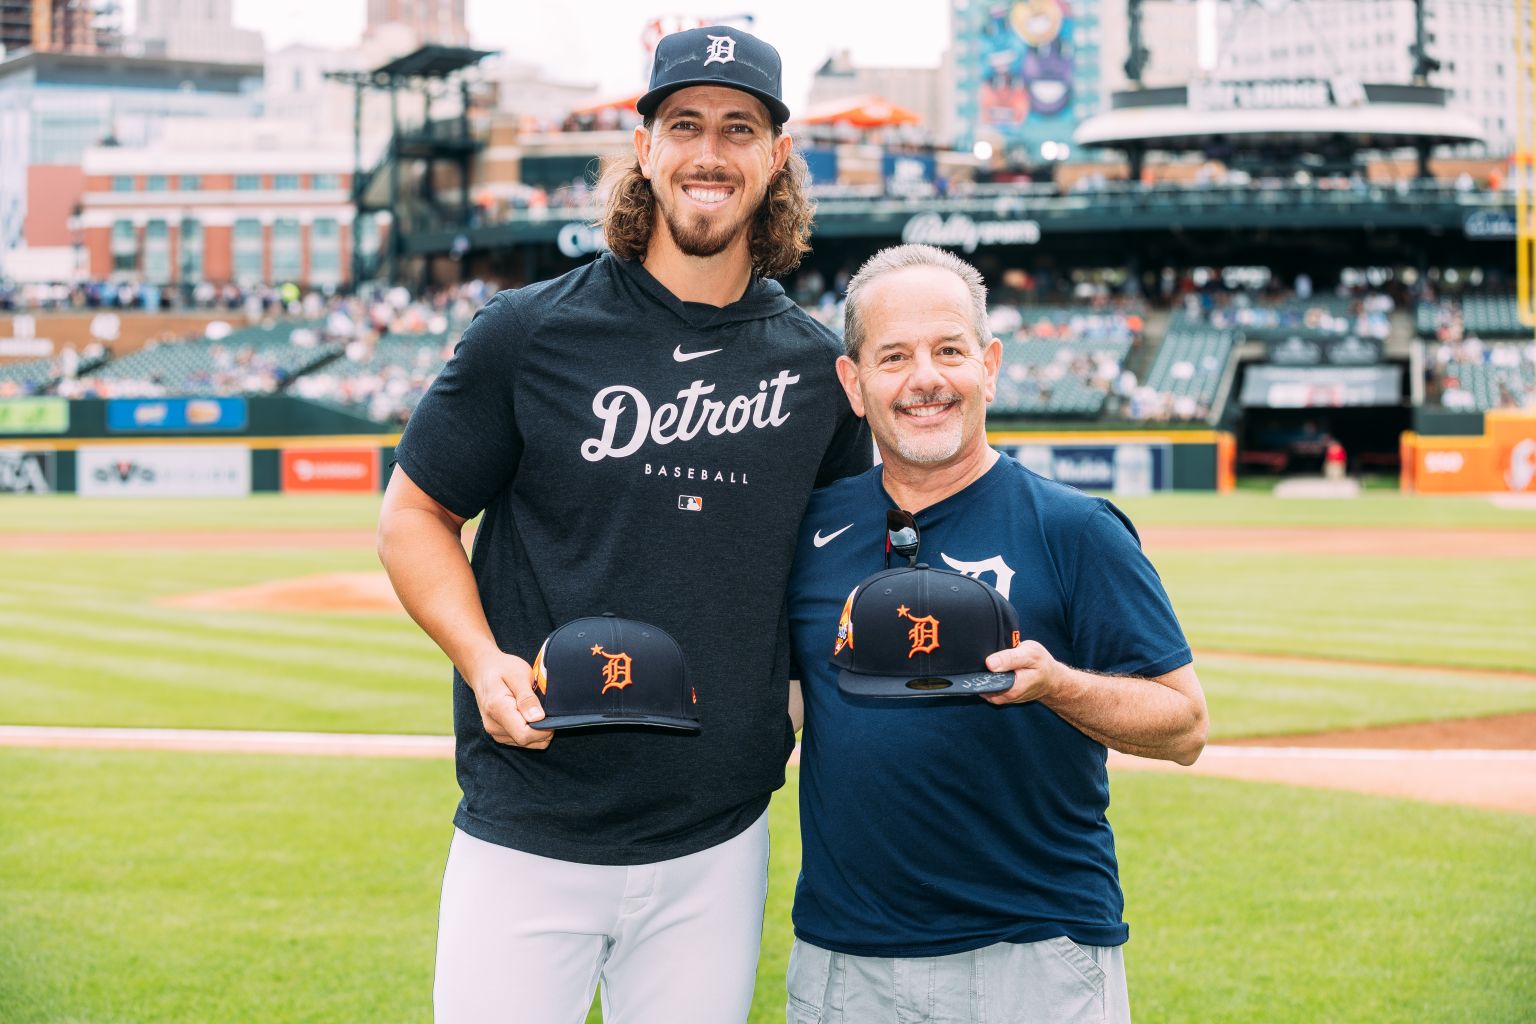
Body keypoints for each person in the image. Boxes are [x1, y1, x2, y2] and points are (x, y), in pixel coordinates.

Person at [376, 25, 870, 1024]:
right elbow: (415, 515)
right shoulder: (529, 333)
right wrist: (480, 660)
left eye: (740, 128)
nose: (709, 151)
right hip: (531, 819)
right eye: (683, 123)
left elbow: (834, 568)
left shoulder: (818, 371)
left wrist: (795, 689)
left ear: (776, 158)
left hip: (716, 840)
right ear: (643, 146)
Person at [785, 244, 1208, 1024]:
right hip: (850, 954)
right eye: (894, 356)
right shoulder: (810, 528)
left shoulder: (1076, 528)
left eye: (950, 350)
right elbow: (780, 710)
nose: (926, 379)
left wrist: (1059, 685)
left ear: (990, 365)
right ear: (854, 383)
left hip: (1036, 953)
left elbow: (1185, 726)